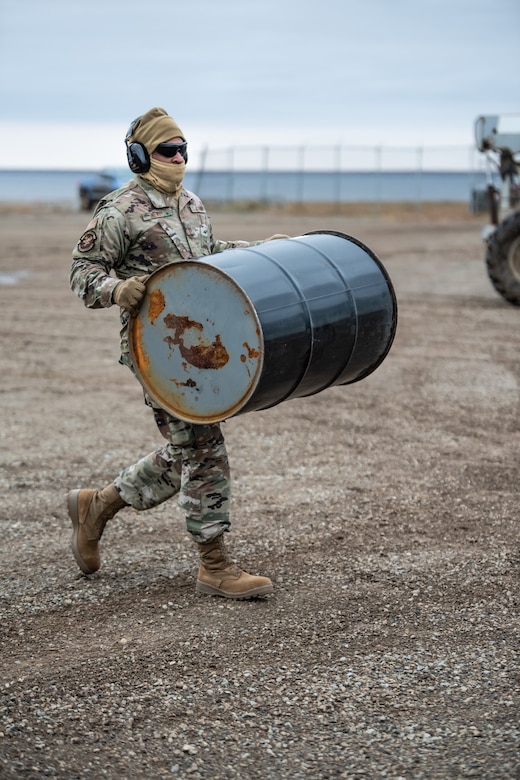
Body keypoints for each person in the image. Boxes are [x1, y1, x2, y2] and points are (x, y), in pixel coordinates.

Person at [68, 107, 287, 599]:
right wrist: (116, 288)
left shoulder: (191, 204)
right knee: (204, 447)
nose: (179, 157)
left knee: (183, 452)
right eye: (168, 150)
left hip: (201, 349)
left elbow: (208, 256)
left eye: (184, 149)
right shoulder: (118, 210)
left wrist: (262, 252)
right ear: (141, 156)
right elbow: (82, 273)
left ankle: (96, 506)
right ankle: (214, 565)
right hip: (158, 354)